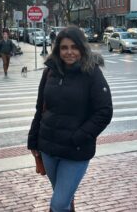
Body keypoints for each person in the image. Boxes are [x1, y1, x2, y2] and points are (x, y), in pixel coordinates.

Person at [28, 26, 113, 212]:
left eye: (74, 47)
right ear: (58, 49)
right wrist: (33, 141)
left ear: (82, 48)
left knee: (58, 204)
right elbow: (40, 107)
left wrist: (78, 137)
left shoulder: (92, 73)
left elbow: (104, 112)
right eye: (64, 47)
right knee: (65, 199)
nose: (69, 52)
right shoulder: (49, 72)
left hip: (76, 150)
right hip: (48, 147)